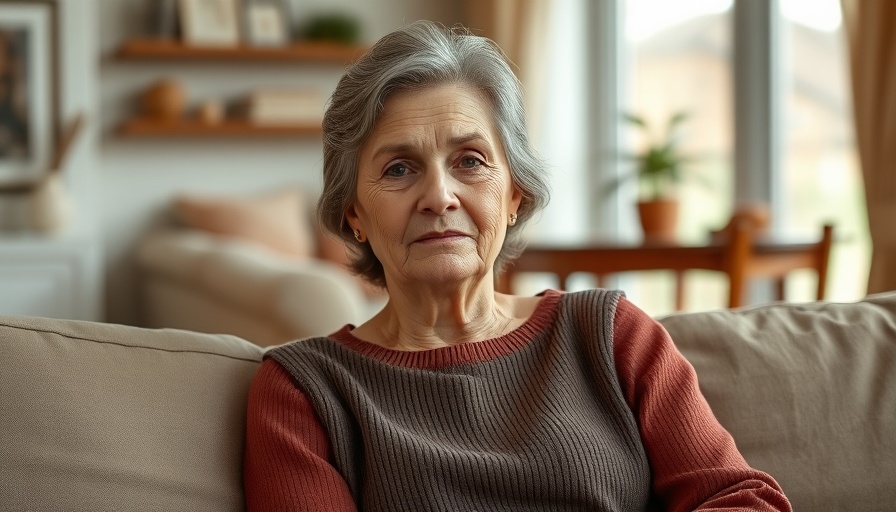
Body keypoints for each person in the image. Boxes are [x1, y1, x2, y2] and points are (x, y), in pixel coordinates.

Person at [243, 20, 791, 511]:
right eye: (400, 168)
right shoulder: (305, 391)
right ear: (353, 213)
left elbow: (739, 498)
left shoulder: (610, 334)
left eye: (470, 161)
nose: (439, 196)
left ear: (514, 196)